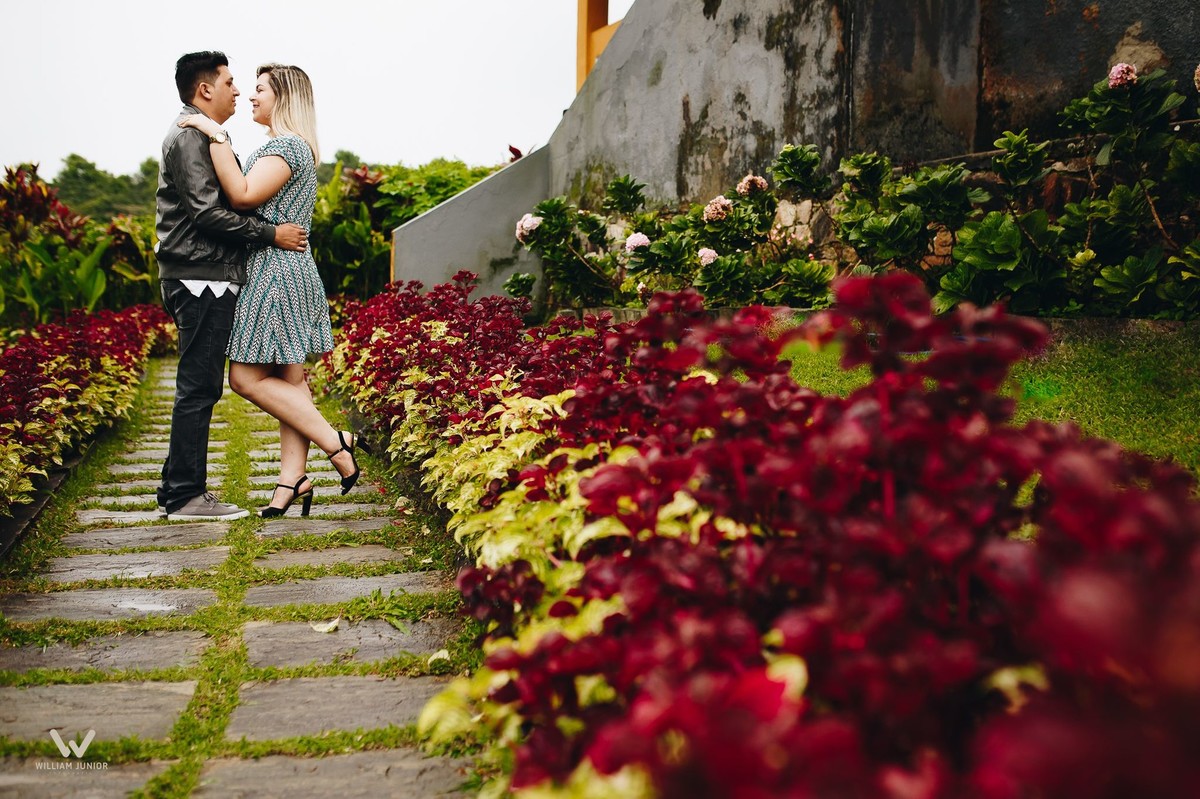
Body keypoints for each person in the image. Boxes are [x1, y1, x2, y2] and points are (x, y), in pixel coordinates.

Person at [178, 63, 362, 518]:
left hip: (274, 272)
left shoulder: (284, 146)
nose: (250, 96)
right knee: (289, 379)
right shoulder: (292, 147)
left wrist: (214, 135)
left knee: (244, 377)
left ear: (283, 96)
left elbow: (241, 196)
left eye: (259, 89)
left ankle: (334, 441)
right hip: (288, 268)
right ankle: (291, 480)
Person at [157, 51, 309, 521]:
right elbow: (208, 212)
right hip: (200, 276)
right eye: (230, 82)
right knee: (199, 388)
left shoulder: (202, 135)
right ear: (206, 89)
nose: (239, 91)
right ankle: (185, 495)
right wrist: (271, 234)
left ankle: (178, 490)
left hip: (208, 275)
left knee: (201, 386)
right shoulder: (189, 137)